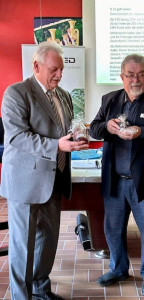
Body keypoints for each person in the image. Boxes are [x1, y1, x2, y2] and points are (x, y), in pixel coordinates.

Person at [0, 41, 89, 300]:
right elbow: (16, 137)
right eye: (54, 70)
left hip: (55, 178)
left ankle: (41, 291)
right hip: (25, 181)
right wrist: (56, 144)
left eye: (61, 70)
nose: (59, 75)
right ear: (36, 66)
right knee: (23, 246)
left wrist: (75, 137)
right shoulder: (16, 93)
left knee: (47, 243)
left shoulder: (64, 95)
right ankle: (21, 296)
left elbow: (62, 130)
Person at [89, 54, 144, 296]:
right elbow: (95, 128)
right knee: (113, 228)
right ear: (122, 77)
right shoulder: (109, 100)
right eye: (130, 75)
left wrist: (142, 131)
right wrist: (107, 126)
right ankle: (118, 269)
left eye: (141, 74)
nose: (136, 79)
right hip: (115, 180)